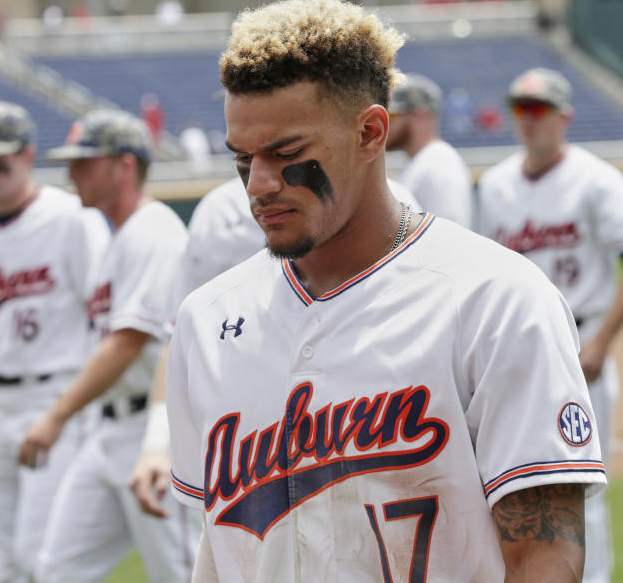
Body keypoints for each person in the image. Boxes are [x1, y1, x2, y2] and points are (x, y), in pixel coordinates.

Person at [165, 0, 606, 582]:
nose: (258, 185)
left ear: (371, 132)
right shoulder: (208, 319)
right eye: (242, 159)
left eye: (286, 152)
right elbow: (219, 551)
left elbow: (545, 555)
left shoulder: (496, 300)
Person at [129, 178, 421, 517]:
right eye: (243, 156)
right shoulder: (218, 211)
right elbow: (181, 337)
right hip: (250, 435)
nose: (259, 175)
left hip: (364, 420)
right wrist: (155, 445)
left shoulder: (387, 200)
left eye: (288, 149)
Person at [478, 67, 623, 583]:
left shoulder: (598, 181)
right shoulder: (494, 185)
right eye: (520, 110)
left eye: (538, 110)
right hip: (514, 349)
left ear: (564, 117)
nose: (528, 120)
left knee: (582, 491)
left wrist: (602, 342)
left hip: (580, 344)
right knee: (508, 488)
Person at [17, 109, 195, 582]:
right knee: (56, 570)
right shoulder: (114, 239)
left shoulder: (153, 232)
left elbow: (128, 342)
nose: (71, 173)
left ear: (126, 165)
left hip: (155, 433)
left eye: (85, 161)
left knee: (180, 574)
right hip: (108, 434)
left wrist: (56, 416)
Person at [0, 101, 108, 582]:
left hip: (54, 395)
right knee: (4, 561)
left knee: (42, 555)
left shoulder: (71, 218)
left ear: (27, 155)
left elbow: (104, 317)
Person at [386, 73, 474, 227]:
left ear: (419, 114)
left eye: (391, 116)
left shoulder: (439, 164)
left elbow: (451, 235)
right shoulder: (422, 162)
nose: (384, 124)